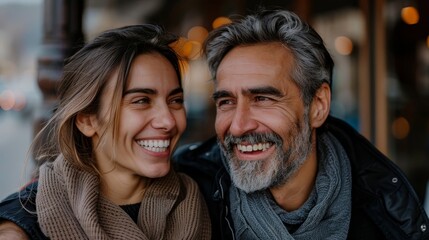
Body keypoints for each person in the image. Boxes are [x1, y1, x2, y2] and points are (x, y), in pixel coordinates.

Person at [173, 8, 429, 240]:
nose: (238, 126)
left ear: (318, 105)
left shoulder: (383, 218)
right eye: (226, 102)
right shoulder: (186, 201)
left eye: (262, 98)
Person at [0, 24, 211, 239]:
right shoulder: (26, 224)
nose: (168, 121)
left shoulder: (209, 197)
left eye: (175, 100)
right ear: (87, 120)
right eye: (141, 101)